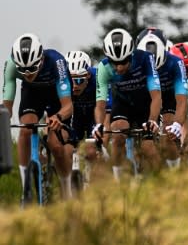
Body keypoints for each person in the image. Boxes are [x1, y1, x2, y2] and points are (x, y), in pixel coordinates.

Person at [3, 33, 74, 203]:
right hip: (32, 94)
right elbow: (7, 107)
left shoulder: (57, 62)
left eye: (32, 69)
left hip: (57, 97)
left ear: (41, 59)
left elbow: (68, 106)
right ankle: (25, 190)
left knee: (56, 146)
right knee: (25, 129)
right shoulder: (11, 64)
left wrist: (58, 116)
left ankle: (66, 189)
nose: (27, 74)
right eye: (23, 70)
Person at [92, 27, 162, 178]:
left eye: (123, 62)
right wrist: (99, 124)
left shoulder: (145, 58)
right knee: (117, 134)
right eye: (114, 63)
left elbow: (156, 96)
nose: (119, 67)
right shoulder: (103, 68)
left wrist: (152, 120)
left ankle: (163, 183)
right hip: (123, 104)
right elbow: (100, 104)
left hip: (145, 104)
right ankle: (119, 183)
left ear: (131, 54)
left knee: (148, 147)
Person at [137, 32, 188, 169]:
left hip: (168, 97)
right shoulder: (135, 61)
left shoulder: (175, 63)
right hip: (146, 97)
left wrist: (177, 124)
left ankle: (174, 173)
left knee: (168, 132)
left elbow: (182, 100)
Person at [65, 50, 108, 187]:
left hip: (93, 116)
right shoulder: (61, 82)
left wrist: (103, 130)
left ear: (88, 75)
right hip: (75, 116)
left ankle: (98, 180)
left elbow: (107, 109)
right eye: (71, 82)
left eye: (79, 80)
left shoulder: (98, 77)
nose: (75, 86)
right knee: (67, 149)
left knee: (91, 150)